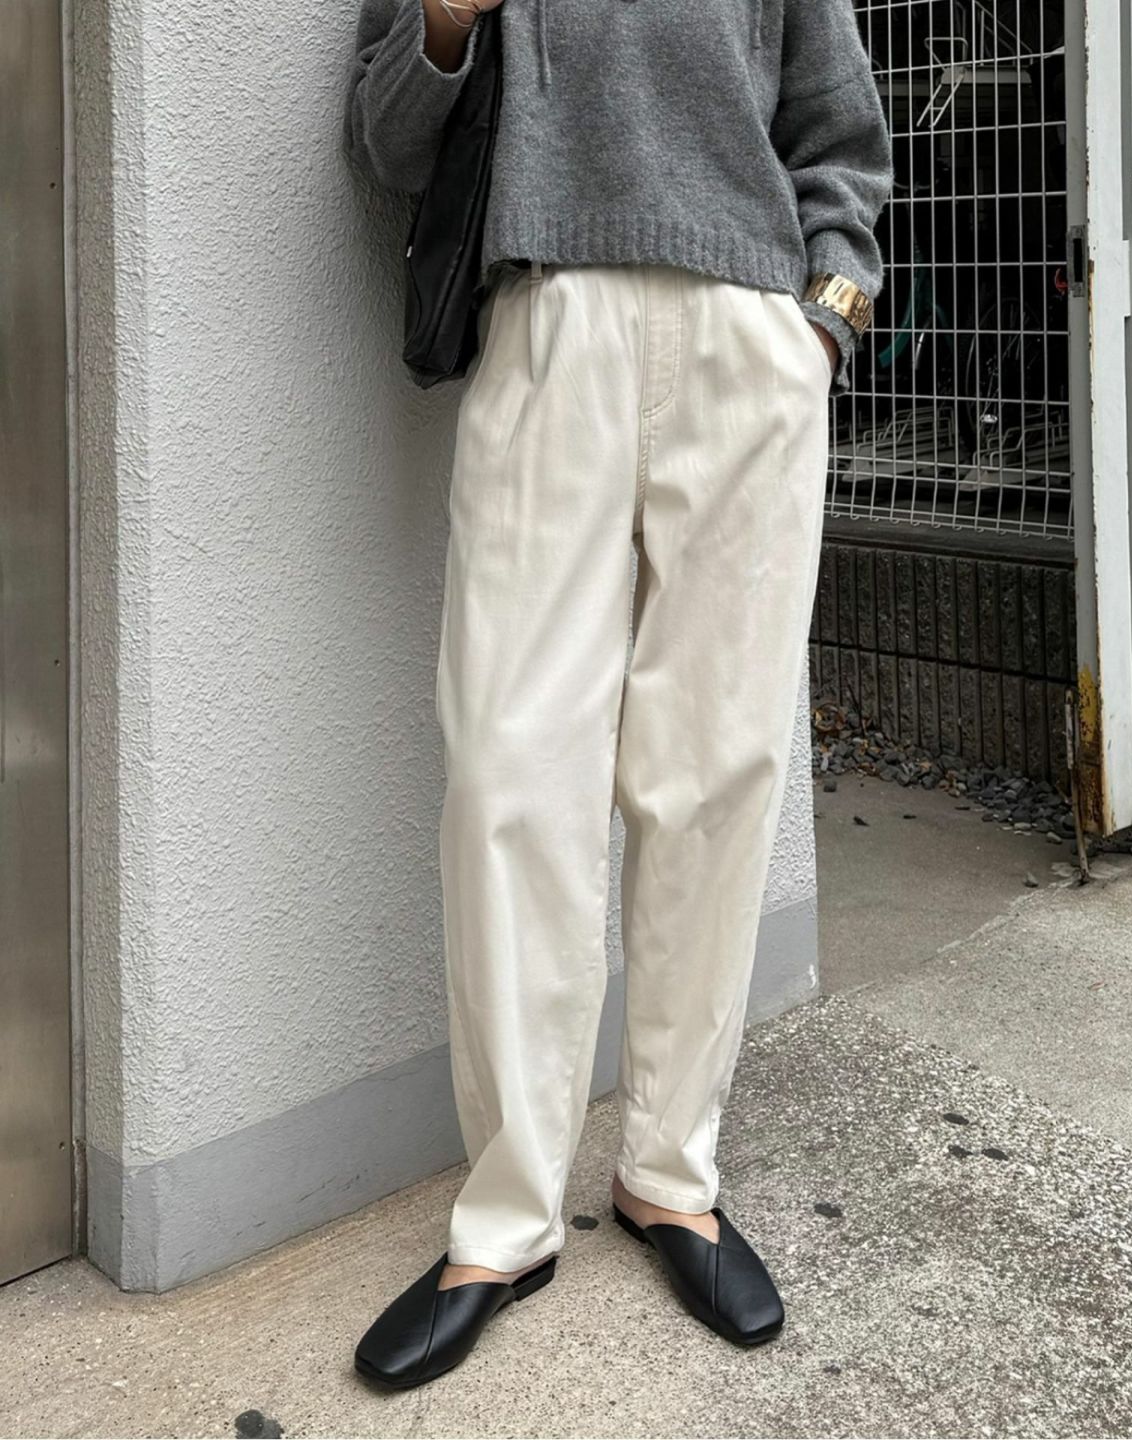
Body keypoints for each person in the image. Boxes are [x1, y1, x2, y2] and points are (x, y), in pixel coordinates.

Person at [343, 0, 893, 1390]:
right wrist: (445, 29)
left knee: (715, 772)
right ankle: (507, 1219)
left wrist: (825, 320)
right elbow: (385, 148)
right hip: (549, 325)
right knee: (509, 777)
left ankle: (669, 1174)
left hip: (749, 340)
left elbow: (839, 132)